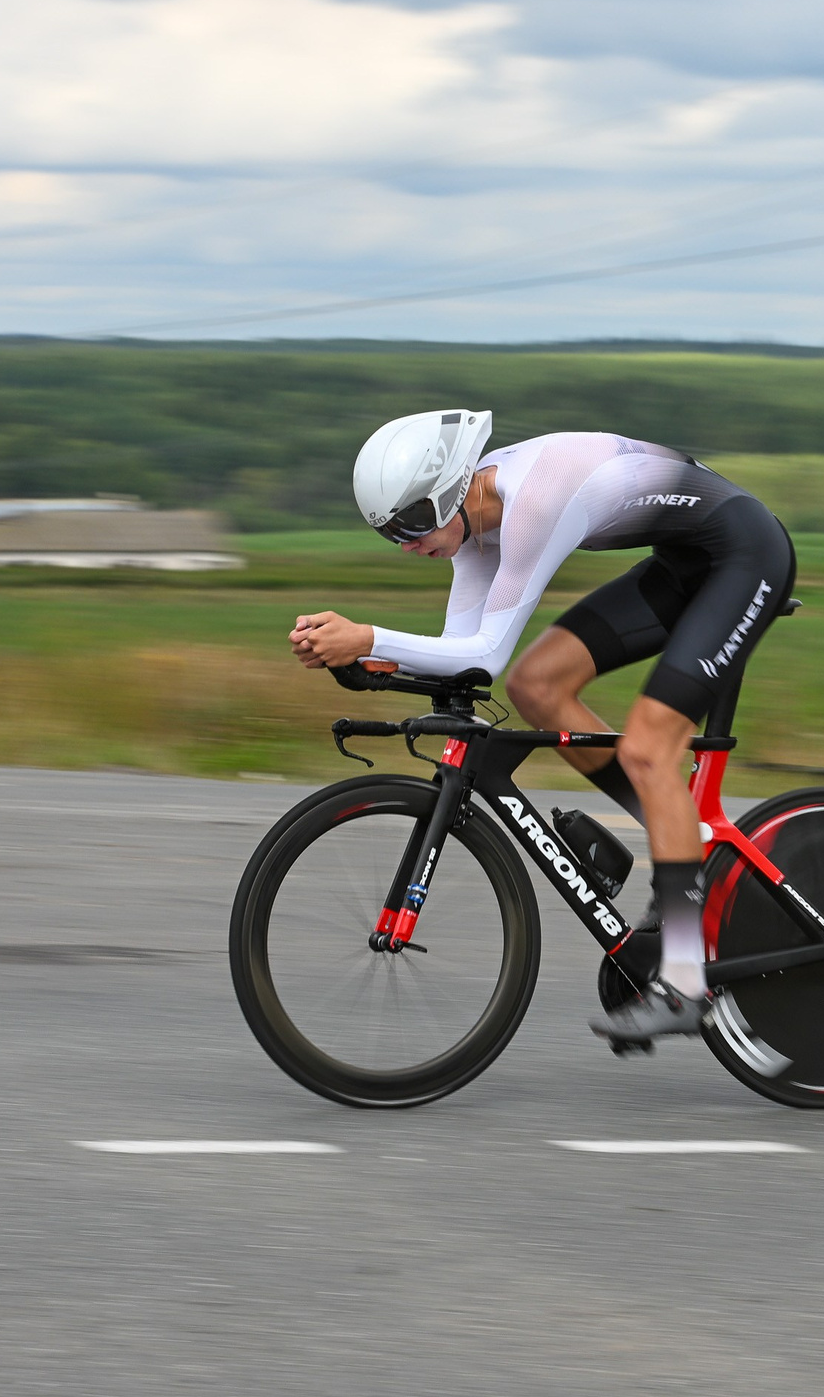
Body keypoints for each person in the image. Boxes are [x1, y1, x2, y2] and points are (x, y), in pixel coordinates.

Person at [288, 409, 796, 1046]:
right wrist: (364, 662)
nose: (408, 543)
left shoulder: (534, 499)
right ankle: (684, 841)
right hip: (684, 564)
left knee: (646, 747)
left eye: (413, 522)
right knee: (537, 687)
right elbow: (462, 656)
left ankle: (688, 983)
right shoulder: (473, 528)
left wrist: (366, 635)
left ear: (452, 488)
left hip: (746, 556)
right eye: (391, 532)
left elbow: (483, 655)